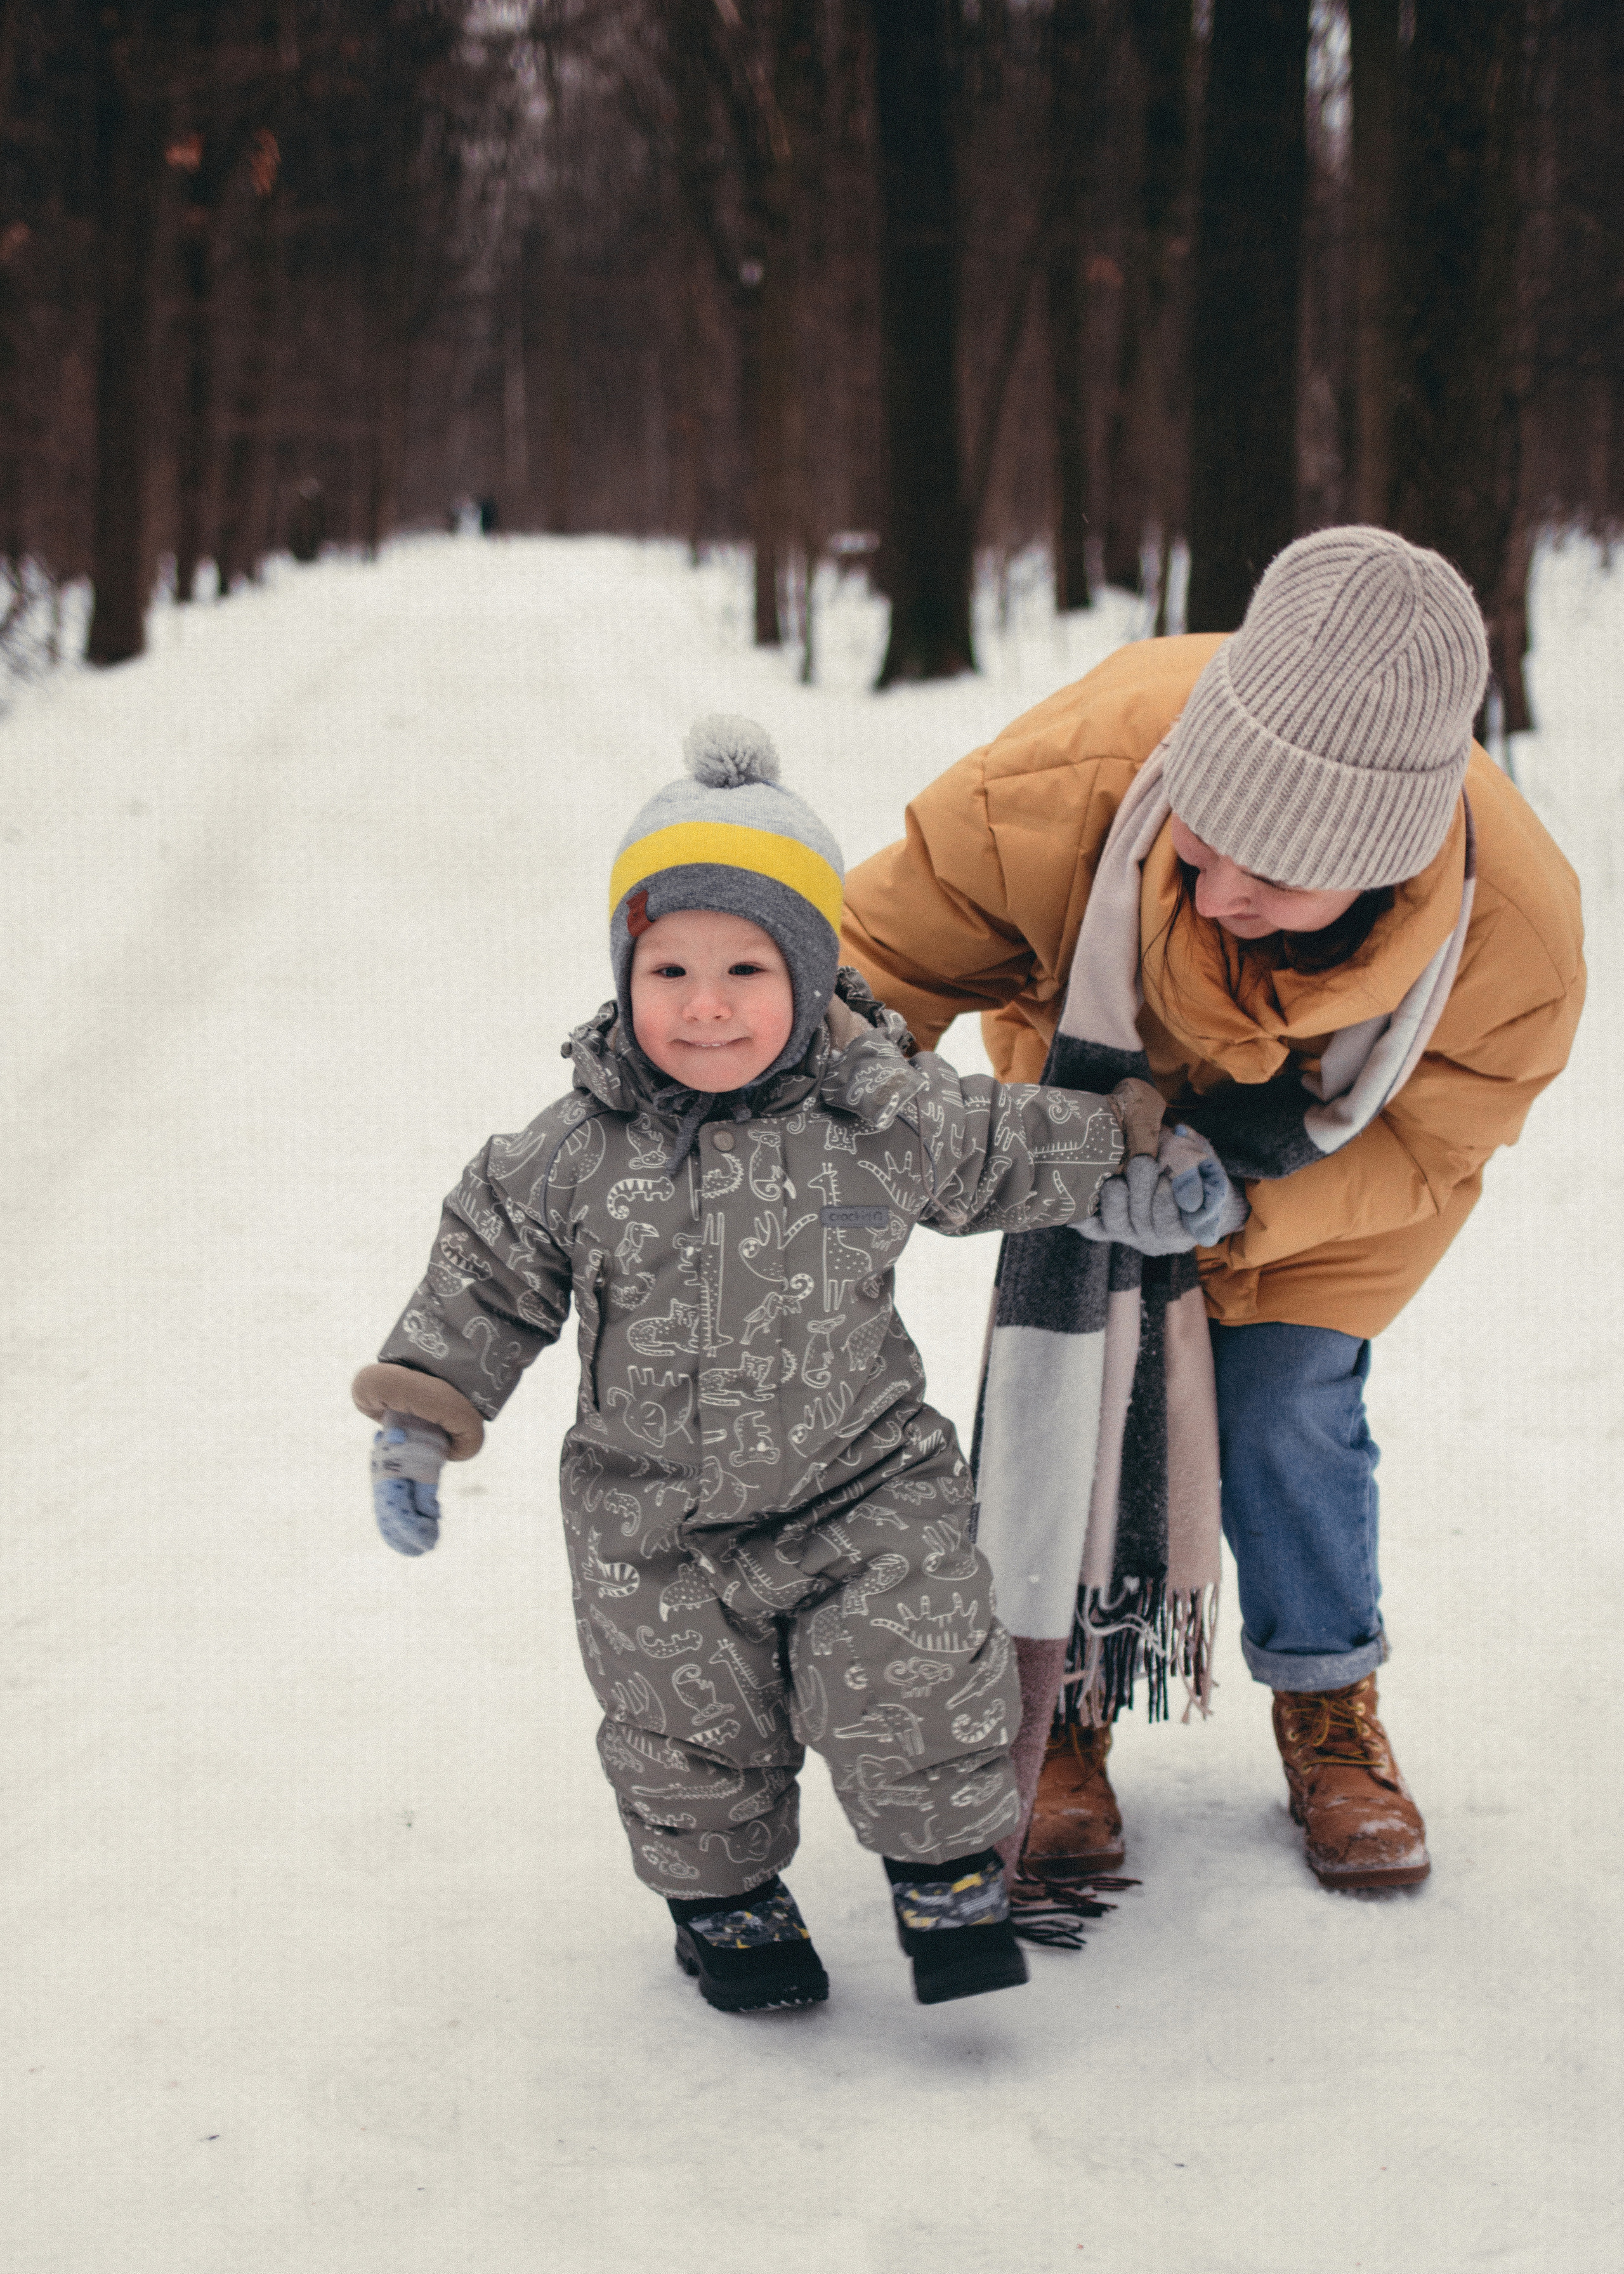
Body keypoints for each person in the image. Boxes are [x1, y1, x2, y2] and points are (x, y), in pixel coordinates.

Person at [351, 718, 1222, 2011]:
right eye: (669, 969)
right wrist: (424, 1414)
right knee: (681, 1734)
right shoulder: (570, 1149)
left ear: (810, 977)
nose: (704, 1005)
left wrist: (1134, 1152)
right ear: (623, 974)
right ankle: (726, 1905)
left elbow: (1000, 1144)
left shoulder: (876, 1111)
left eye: (746, 969)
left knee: (918, 1673)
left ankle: (944, 1875)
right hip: (650, 1520)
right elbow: (486, 1269)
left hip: (858, 1488)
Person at [841, 526, 1585, 1894]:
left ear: (1380, 865)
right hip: (1082, 1135)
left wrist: (1234, 1212)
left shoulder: (1512, 937)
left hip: (1322, 1194)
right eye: (1203, 837)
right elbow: (877, 960)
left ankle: (1327, 1704)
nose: (1220, 886)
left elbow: (1430, 1146)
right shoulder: (1066, 785)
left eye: (1275, 872)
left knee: (1284, 1408)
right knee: (1081, 1398)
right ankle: (1054, 1700)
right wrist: (831, 1127)